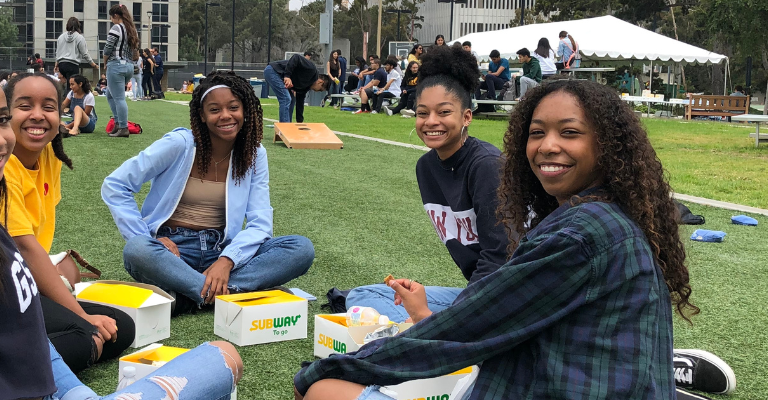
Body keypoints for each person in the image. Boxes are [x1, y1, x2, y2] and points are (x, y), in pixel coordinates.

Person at [0, 57, 242, 400]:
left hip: (41, 371)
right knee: (224, 357)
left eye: (1, 120)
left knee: (193, 347)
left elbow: (19, 326)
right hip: (27, 383)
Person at [295, 76, 705, 399]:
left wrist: (328, 368)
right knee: (367, 297)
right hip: (546, 338)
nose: (547, 147)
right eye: (537, 132)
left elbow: (483, 295)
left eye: (570, 133)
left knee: (325, 390)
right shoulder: (596, 214)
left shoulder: (580, 233)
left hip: (517, 332)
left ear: (608, 146)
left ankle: (671, 368)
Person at [103, 72, 316, 315]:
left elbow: (261, 224)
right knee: (137, 249)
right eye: (215, 110)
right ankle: (224, 295)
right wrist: (148, 236)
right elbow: (116, 185)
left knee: (300, 248)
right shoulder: (180, 144)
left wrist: (227, 261)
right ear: (202, 116)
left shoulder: (254, 154)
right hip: (173, 253)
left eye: (233, 107)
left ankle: (189, 297)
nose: (226, 115)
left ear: (245, 110)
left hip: (222, 250)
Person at [0, 71, 137, 373]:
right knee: (85, 334)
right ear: (5, 115)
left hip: (25, 284)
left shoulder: (49, 158)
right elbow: (26, 249)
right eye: (25, 105)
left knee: (122, 326)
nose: (37, 116)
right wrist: (81, 316)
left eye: (48, 106)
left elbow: (36, 247)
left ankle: (27, 352)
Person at [346, 45, 506, 322]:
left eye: (444, 112)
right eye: (422, 113)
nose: (431, 122)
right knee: (361, 296)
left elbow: (500, 261)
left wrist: (428, 317)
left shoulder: (488, 166)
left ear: (466, 116)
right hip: (478, 292)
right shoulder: (427, 168)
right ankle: (430, 330)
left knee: (414, 320)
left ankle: (432, 333)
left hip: (511, 296)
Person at [102, 4, 139, 137]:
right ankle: (118, 123)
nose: (111, 20)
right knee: (110, 95)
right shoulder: (131, 30)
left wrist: (105, 61)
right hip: (128, 65)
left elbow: (108, 48)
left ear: (116, 16)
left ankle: (123, 127)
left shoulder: (116, 28)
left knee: (118, 98)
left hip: (116, 64)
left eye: (111, 17)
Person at [263, 51, 331, 123]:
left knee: (292, 99)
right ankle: (285, 127)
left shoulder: (306, 87)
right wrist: (287, 76)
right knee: (286, 98)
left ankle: (288, 124)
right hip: (273, 71)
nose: (317, 91)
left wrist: (300, 122)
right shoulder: (311, 69)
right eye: (320, 90)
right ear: (320, 82)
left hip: (279, 76)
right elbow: (296, 57)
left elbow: (300, 104)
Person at [53, 17, 98, 94]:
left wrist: (56, 64)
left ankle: (60, 101)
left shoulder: (61, 37)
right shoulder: (80, 38)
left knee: (63, 85)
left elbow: (58, 52)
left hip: (62, 64)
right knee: (72, 87)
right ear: (78, 26)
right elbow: (85, 53)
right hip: (72, 65)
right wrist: (93, 64)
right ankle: (69, 104)